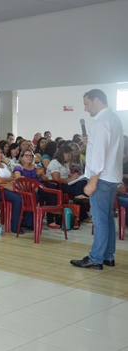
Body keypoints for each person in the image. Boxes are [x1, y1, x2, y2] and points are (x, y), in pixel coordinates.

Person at [71, 89, 124, 270]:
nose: (86, 109)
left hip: (101, 178)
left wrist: (92, 181)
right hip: (112, 177)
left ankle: (96, 258)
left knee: (100, 219)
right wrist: (90, 143)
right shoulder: (114, 119)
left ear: (96, 100)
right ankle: (108, 255)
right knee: (107, 217)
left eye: (86, 104)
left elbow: (99, 156)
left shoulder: (101, 122)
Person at [0, 146, 33, 234]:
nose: (0, 155)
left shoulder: (5, 165)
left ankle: (27, 222)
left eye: (1, 153)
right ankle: (15, 227)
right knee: (17, 198)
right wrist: (10, 180)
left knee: (28, 195)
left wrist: (8, 180)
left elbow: (13, 177)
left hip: (7, 187)